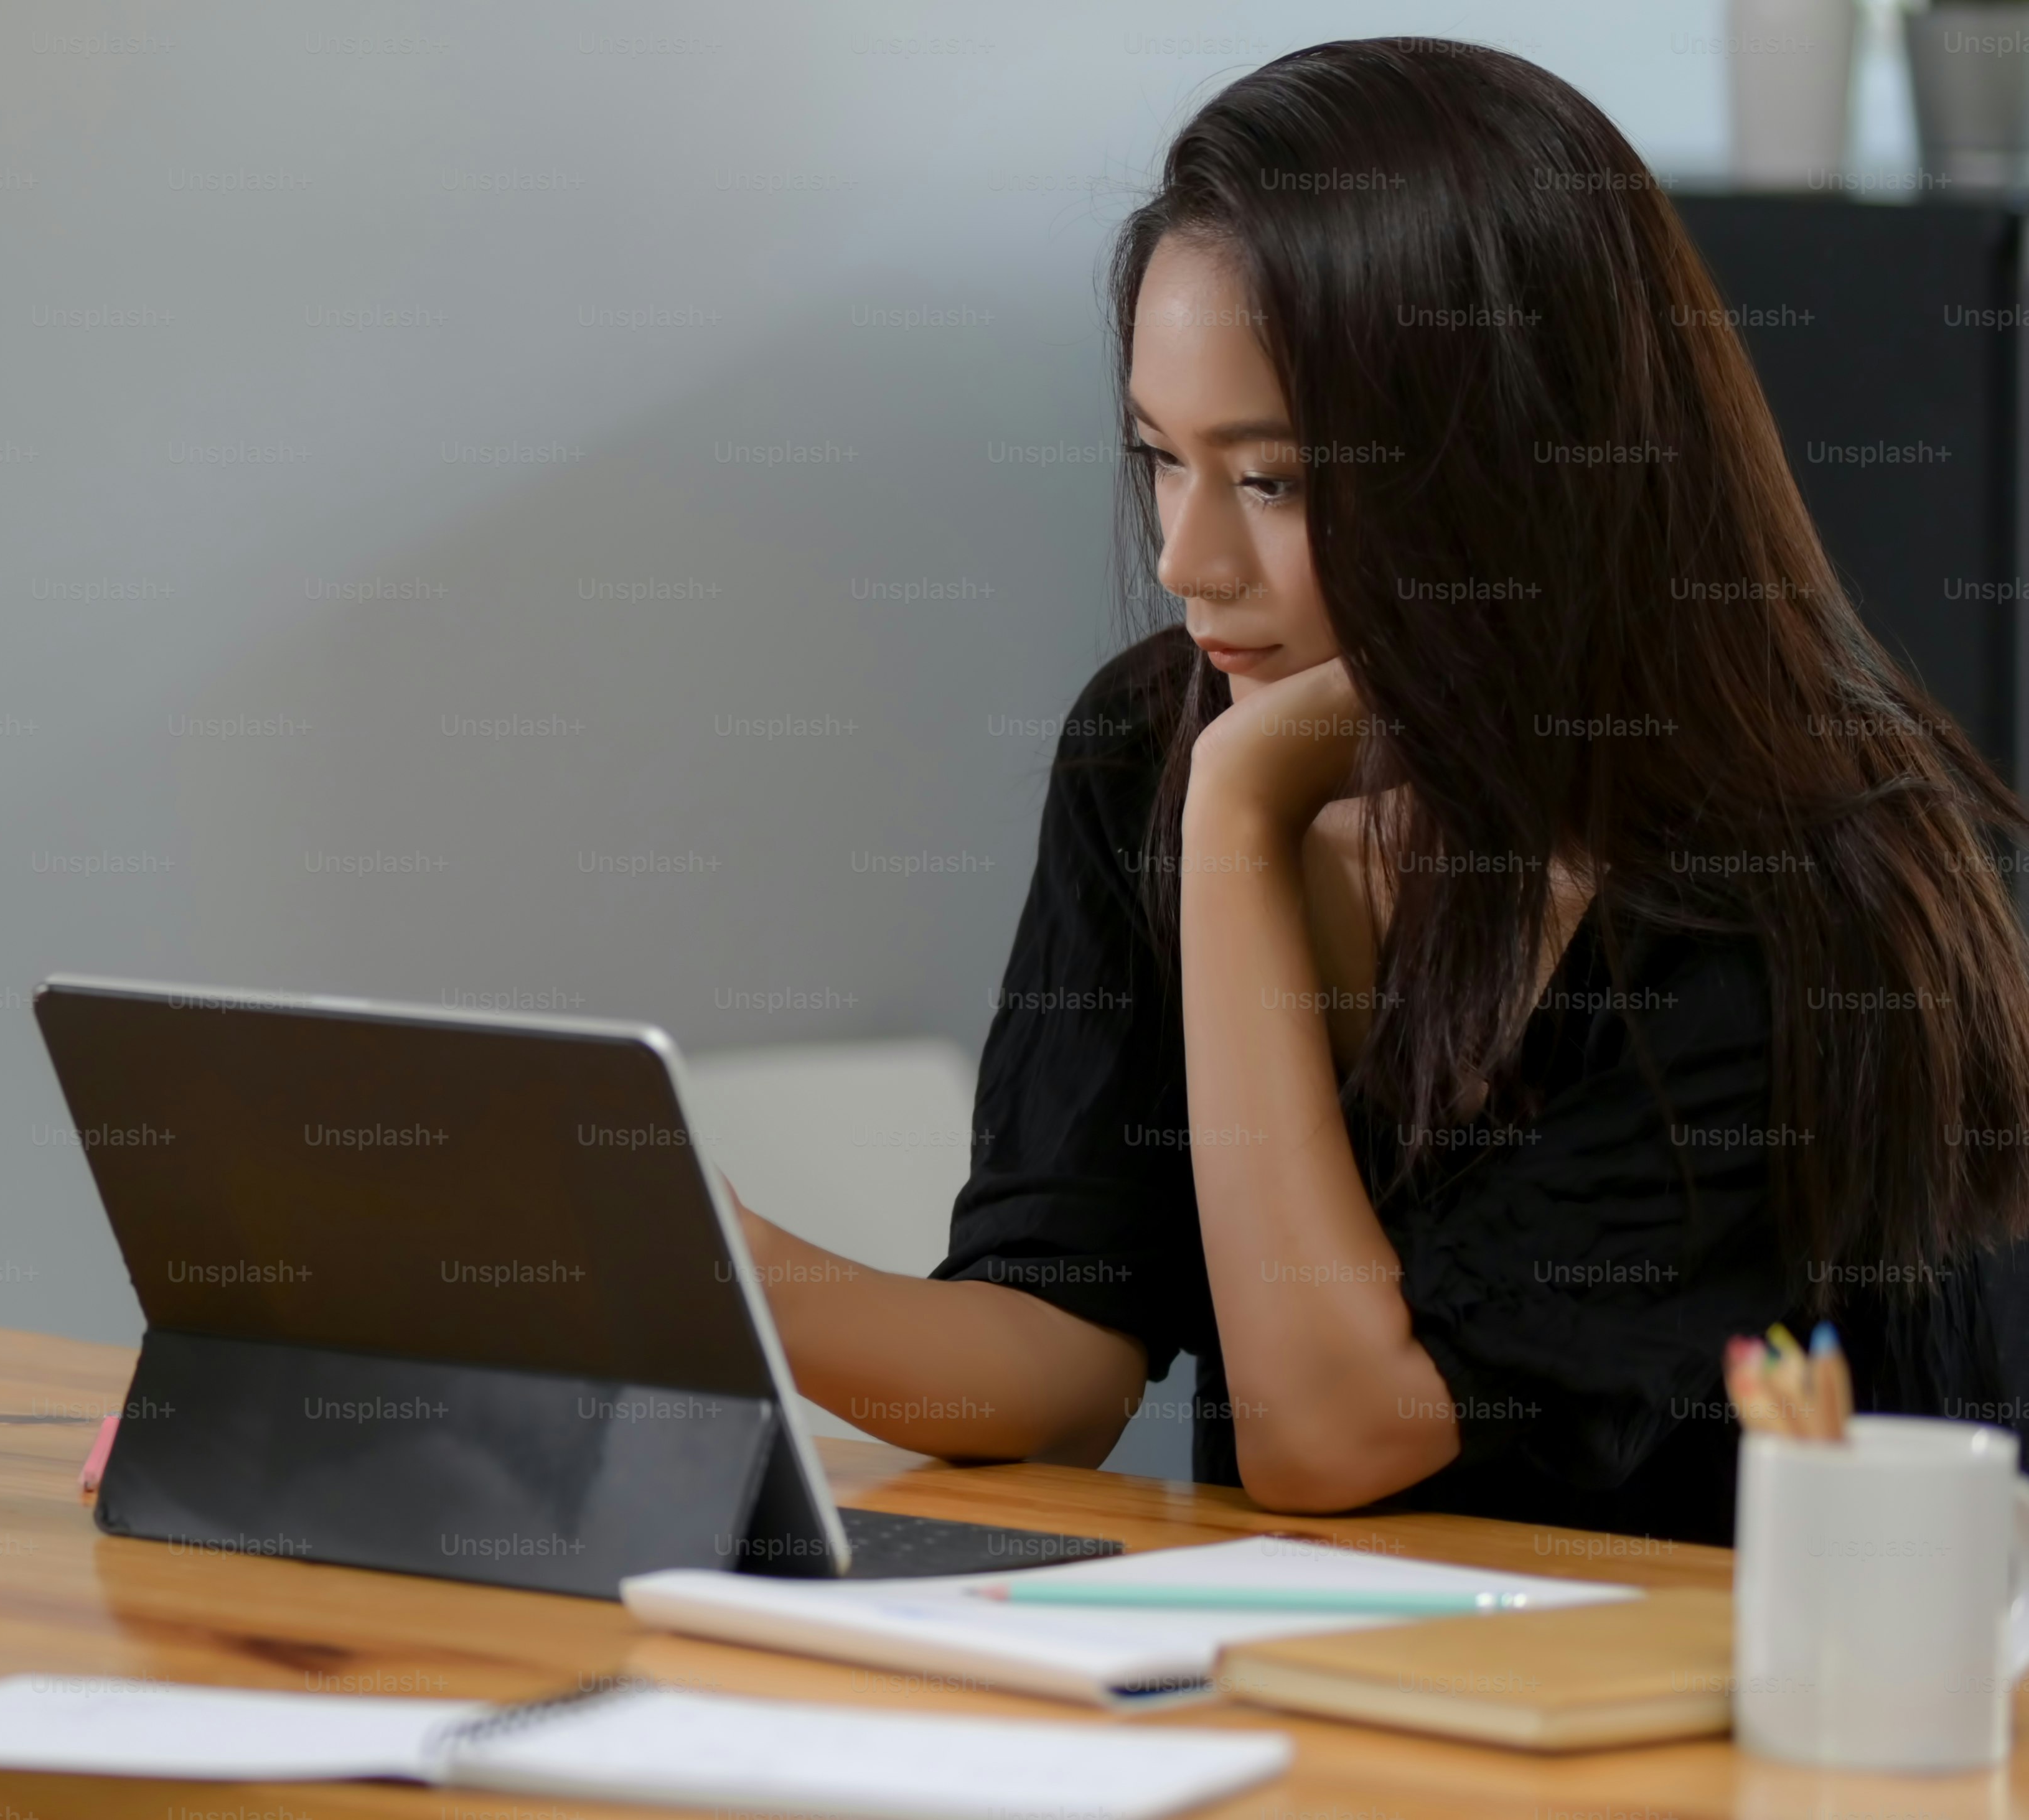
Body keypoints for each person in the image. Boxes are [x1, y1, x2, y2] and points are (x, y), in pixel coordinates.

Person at [732, 38, 2029, 1542]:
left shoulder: (1804, 887)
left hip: (1759, 1737)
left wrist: (1233, 833)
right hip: (1343, 1697)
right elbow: (1054, 1352)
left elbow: (1334, 1434)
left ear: (1513, 465)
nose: (1185, 562)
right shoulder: (1148, 750)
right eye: (1161, 458)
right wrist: (716, 1260)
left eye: (1270, 479)